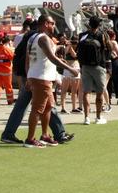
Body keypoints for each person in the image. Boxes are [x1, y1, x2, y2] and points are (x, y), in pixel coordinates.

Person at [25, 15, 80, 148]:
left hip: (40, 76)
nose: (54, 25)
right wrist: (71, 69)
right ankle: (30, 139)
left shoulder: (33, 38)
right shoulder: (43, 38)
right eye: (52, 23)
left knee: (48, 107)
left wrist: (28, 76)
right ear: (45, 23)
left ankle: (45, 135)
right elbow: (51, 57)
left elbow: (31, 59)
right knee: (38, 109)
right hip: (41, 78)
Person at [77, 17, 111, 125]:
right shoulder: (102, 35)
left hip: (85, 66)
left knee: (86, 92)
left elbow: (79, 50)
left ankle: (86, 117)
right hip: (99, 66)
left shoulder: (83, 36)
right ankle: (98, 117)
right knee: (99, 93)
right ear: (99, 25)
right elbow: (109, 48)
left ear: (89, 24)